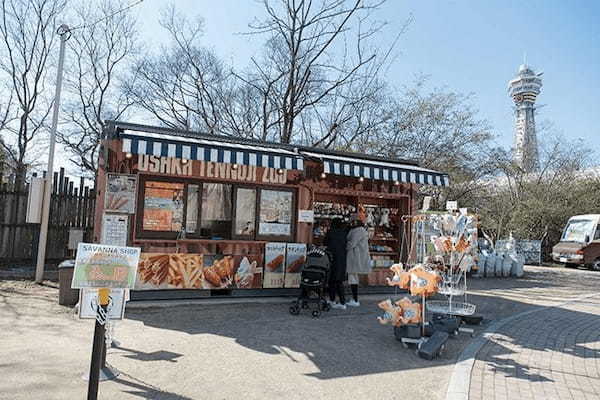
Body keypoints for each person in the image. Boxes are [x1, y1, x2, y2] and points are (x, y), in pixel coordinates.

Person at [346, 217, 371, 307]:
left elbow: (351, 243)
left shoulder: (357, 231)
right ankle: (354, 299)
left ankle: (355, 299)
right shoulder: (362, 230)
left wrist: (343, 247)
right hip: (358, 257)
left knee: (353, 278)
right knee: (353, 278)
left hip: (355, 257)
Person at [324, 218, 348, 310]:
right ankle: (340, 301)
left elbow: (325, 242)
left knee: (332, 281)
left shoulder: (331, 231)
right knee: (338, 281)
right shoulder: (344, 232)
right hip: (342, 259)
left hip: (332, 258)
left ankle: (336, 301)